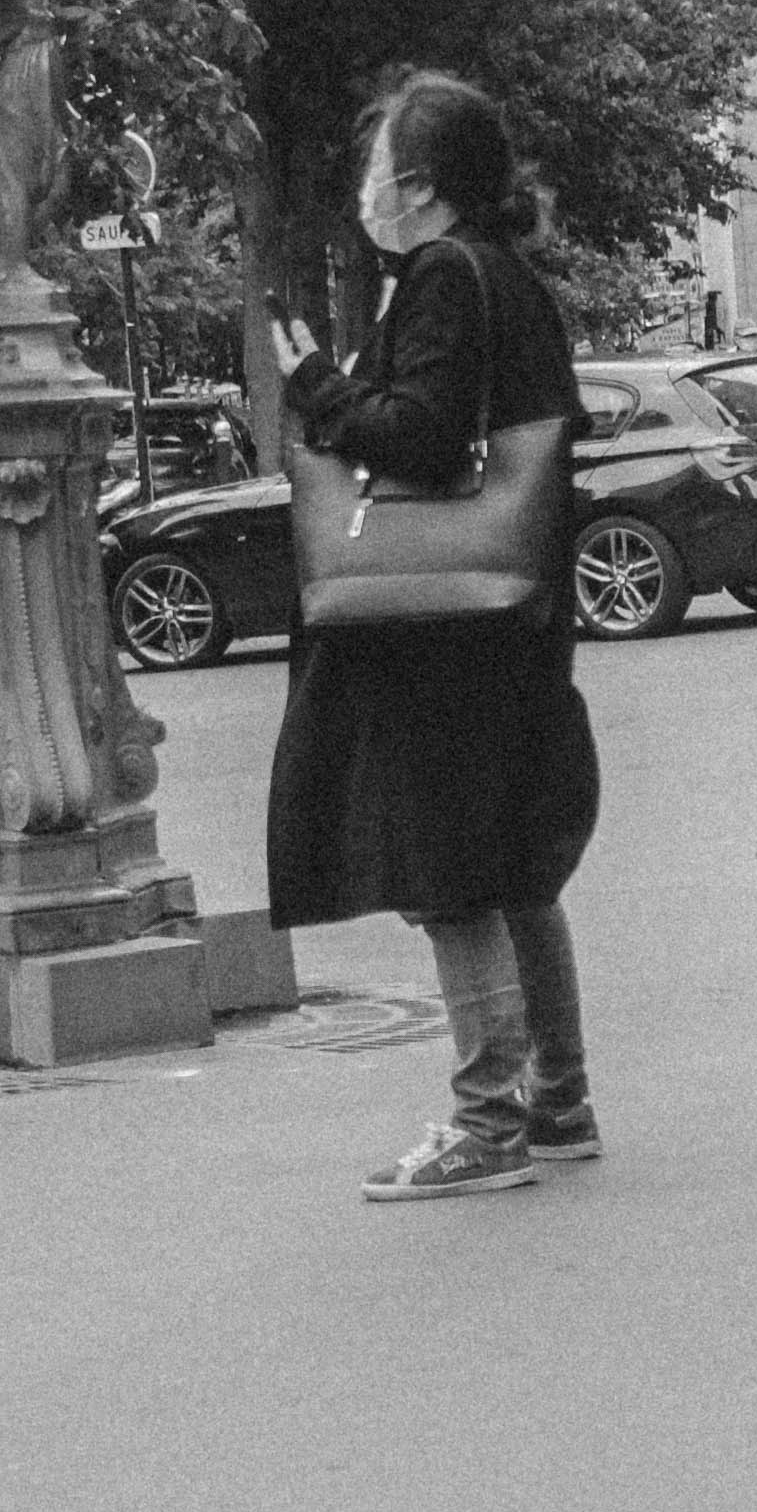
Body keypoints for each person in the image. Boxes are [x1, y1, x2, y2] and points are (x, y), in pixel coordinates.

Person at [270, 72, 608, 1198]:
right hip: (512, 606)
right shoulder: (507, 276)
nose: (365, 188)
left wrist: (314, 383)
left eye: (377, 167)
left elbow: (412, 437)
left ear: (417, 186)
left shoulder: (442, 278)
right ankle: (558, 1103)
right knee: (515, 865)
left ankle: (485, 1123)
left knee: (453, 868)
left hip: (447, 629)